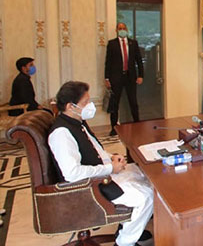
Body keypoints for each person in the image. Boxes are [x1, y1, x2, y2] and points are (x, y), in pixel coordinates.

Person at [48, 81, 153, 246]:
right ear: (70, 106)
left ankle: (130, 226)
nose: (90, 105)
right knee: (147, 196)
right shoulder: (61, 133)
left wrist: (112, 158)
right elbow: (72, 173)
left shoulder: (77, 122)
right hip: (91, 186)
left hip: (102, 175)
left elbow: (95, 150)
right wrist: (110, 167)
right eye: (85, 102)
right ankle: (125, 242)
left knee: (147, 176)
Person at [105, 23, 143, 136]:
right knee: (115, 103)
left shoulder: (133, 43)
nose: (122, 30)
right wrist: (107, 78)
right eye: (120, 28)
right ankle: (114, 128)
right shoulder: (112, 44)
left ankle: (137, 124)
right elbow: (108, 62)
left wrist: (141, 75)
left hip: (130, 77)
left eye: (124, 28)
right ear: (116, 30)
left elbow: (139, 60)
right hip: (116, 77)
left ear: (127, 30)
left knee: (133, 102)